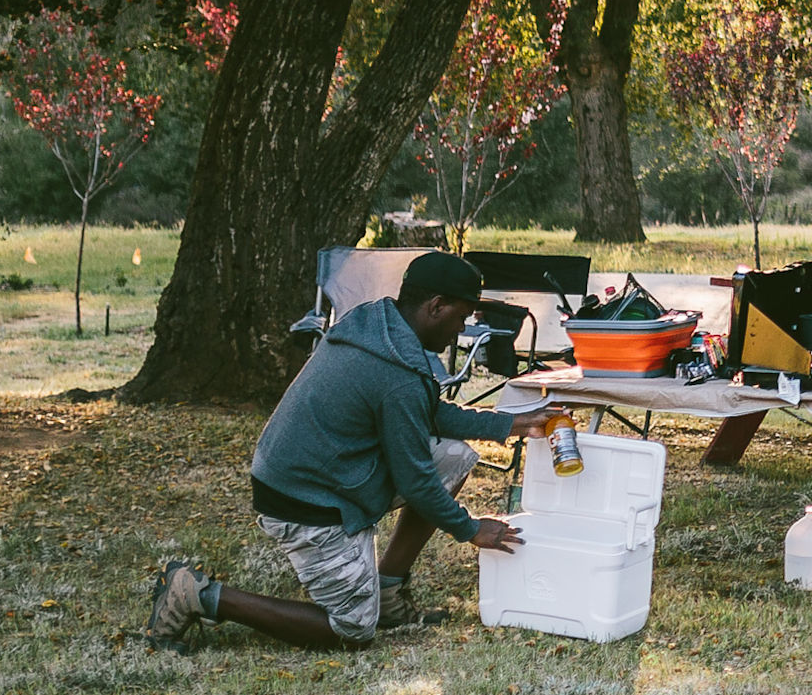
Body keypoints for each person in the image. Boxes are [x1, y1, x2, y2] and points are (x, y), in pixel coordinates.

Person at [142, 250, 559, 650]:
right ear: (436, 306)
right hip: (305, 500)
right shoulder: (397, 371)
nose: (461, 331)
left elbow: (428, 413)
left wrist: (511, 423)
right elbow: (415, 481)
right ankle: (198, 595)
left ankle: (389, 590)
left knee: (454, 456)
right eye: (461, 317)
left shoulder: (381, 326)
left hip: (317, 473)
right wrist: (470, 530)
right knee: (353, 628)